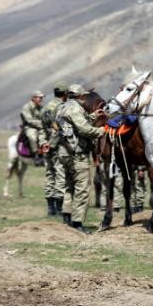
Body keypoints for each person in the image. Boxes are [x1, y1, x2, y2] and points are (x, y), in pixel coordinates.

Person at [56, 84, 105, 234]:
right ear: (81, 96)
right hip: (77, 154)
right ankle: (77, 223)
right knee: (82, 189)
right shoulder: (76, 108)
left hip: (64, 152)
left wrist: (94, 116)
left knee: (69, 186)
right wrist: (102, 130)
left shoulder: (62, 107)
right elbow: (84, 129)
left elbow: (75, 123)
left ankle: (66, 216)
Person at [41, 81, 68, 217]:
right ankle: (58, 209)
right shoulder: (62, 107)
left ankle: (50, 208)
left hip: (47, 145)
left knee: (50, 175)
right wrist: (51, 144)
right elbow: (60, 130)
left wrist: (43, 143)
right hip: (59, 146)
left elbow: (42, 129)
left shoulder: (46, 107)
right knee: (60, 175)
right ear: (65, 94)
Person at [20, 90, 45, 165]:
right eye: (39, 97)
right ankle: (36, 155)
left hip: (40, 127)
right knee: (32, 137)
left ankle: (44, 154)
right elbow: (29, 120)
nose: (41, 99)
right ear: (34, 98)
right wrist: (41, 124)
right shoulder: (26, 107)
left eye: (42, 98)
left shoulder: (41, 107)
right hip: (29, 127)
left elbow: (44, 117)